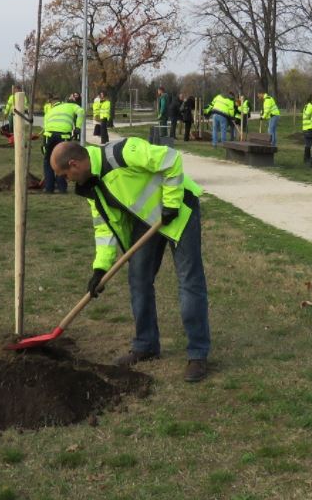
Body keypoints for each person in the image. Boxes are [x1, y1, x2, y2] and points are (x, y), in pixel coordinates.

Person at [50, 138, 211, 383]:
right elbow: (104, 228)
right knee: (139, 279)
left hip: (178, 211)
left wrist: (170, 203)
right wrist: (100, 268)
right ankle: (145, 344)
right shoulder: (91, 185)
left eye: (64, 174)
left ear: (74, 164)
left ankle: (198, 354)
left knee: (189, 281)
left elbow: (170, 159)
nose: (65, 180)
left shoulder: (120, 152)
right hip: (146, 222)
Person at [41, 94, 81, 193]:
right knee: (62, 160)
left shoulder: (50, 111)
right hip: (63, 136)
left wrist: (44, 142)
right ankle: (62, 187)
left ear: (52, 103)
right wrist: (78, 127)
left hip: (49, 136)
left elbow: (45, 126)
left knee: (48, 161)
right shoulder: (70, 106)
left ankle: (49, 188)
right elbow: (81, 111)